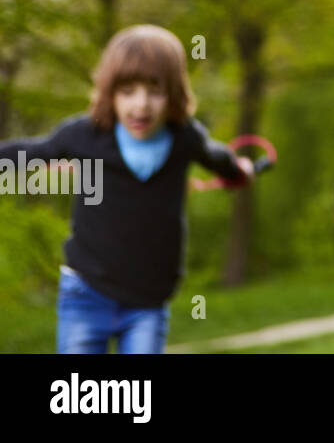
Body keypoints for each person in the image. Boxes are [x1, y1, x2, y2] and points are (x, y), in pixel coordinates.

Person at [0, 24, 254, 352]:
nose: (141, 105)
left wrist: (238, 170)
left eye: (155, 91)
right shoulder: (85, 135)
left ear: (175, 93)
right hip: (86, 292)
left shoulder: (185, 139)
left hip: (147, 302)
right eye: (127, 91)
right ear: (109, 93)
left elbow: (217, 157)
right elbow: (33, 152)